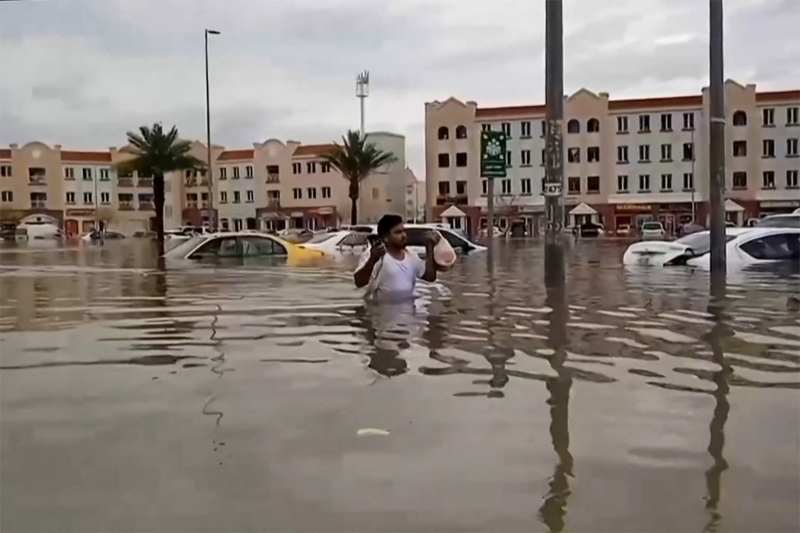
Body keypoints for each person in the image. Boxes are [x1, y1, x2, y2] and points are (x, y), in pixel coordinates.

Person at [353, 214, 441, 301]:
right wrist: (372, 260)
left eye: (403, 231)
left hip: (407, 312)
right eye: (398, 232)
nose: (404, 235)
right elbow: (359, 282)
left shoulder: (411, 255)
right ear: (386, 238)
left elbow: (430, 277)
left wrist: (429, 247)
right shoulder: (375, 254)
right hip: (380, 313)